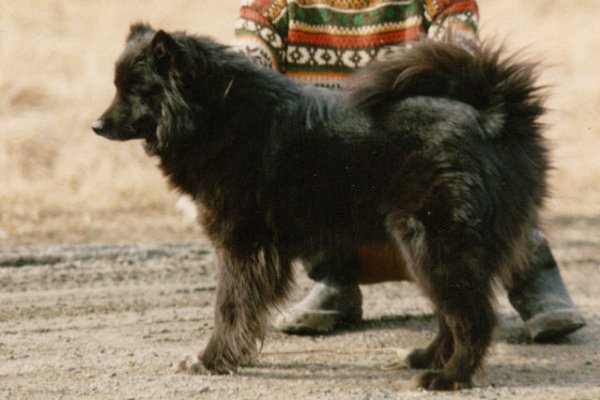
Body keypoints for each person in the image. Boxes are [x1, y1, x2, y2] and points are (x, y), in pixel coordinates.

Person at [232, 0, 585, 341]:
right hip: (345, 188)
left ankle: (531, 279)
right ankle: (336, 280)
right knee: (299, 173)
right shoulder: (272, 7)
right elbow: (247, 81)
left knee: (470, 174)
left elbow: (459, 63)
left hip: (420, 178)